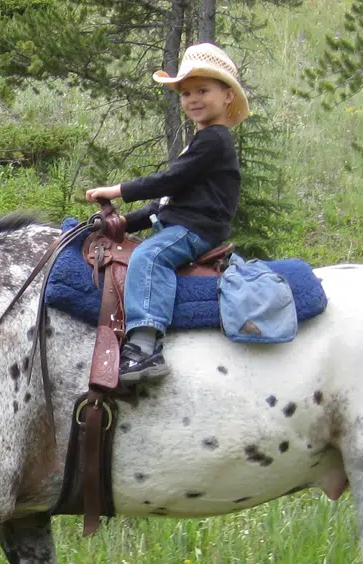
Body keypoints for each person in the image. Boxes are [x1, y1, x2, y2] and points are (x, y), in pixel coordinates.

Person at [85, 43, 250, 384]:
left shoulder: (215, 140)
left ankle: (144, 348)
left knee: (149, 256)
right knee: (143, 246)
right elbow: (167, 202)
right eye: (186, 93)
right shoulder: (203, 142)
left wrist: (116, 191)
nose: (193, 99)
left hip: (198, 229)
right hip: (183, 222)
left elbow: (168, 180)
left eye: (203, 90)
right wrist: (123, 222)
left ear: (228, 95)